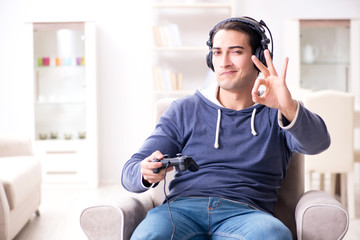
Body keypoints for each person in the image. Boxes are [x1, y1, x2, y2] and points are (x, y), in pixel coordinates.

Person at [121, 17, 330, 240]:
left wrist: (288, 105)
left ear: (257, 56)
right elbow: (130, 172)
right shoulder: (184, 109)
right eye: (218, 52)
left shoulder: (279, 111)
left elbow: (319, 143)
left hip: (248, 215)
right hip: (181, 211)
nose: (224, 62)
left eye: (236, 52)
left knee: (273, 235)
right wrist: (144, 173)